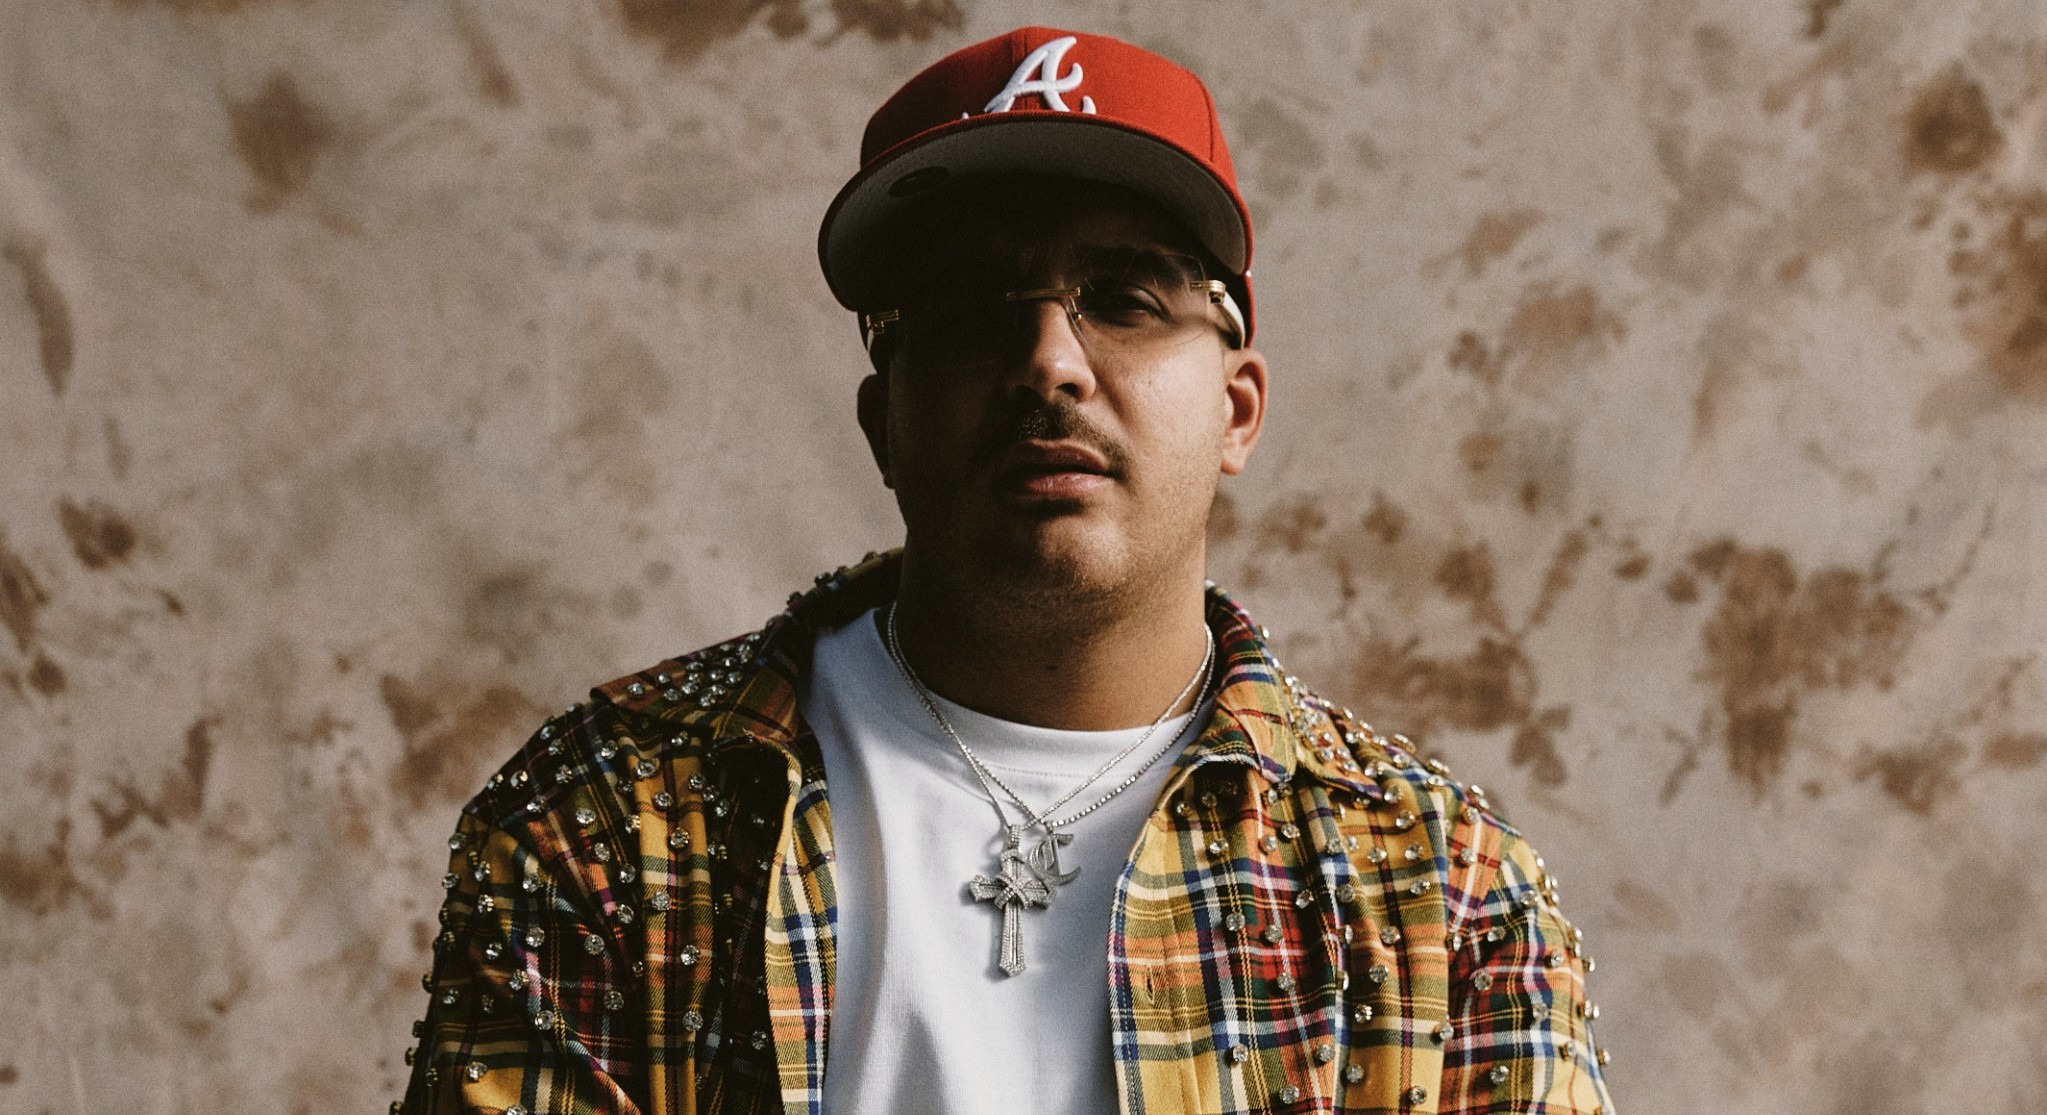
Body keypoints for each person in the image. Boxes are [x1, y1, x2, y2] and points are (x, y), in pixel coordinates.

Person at [397, 26, 1615, 1115]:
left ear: (1237, 408)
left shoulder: (1439, 888)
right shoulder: (610, 819)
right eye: (971, 307)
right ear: (883, 421)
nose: (1049, 361)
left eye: (1124, 299)